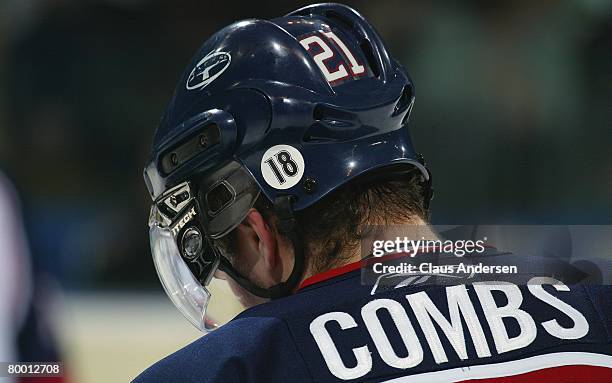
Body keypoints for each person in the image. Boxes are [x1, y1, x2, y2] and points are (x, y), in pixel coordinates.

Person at [135, 4, 612, 382]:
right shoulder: (596, 312)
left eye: (224, 267)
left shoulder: (224, 370)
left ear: (256, 234)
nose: (235, 293)